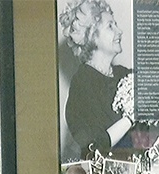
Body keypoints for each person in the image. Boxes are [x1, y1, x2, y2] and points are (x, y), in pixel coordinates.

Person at [58, 0, 135, 159]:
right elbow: (94, 148)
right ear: (92, 35)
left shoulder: (124, 75)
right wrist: (130, 118)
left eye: (116, 25)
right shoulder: (82, 84)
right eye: (110, 26)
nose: (119, 31)